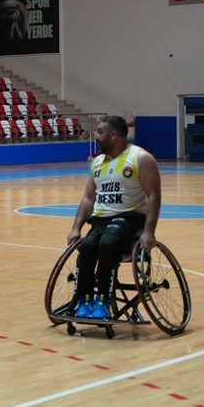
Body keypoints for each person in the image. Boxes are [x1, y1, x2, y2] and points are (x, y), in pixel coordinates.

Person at [66, 116, 161, 320]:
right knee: (88, 246)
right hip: (101, 221)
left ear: (114, 135)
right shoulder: (98, 162)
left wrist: (149, 231)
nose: (96, 136)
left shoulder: (141, 158)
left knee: (107, 244)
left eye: (100, 132)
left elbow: (154, 196)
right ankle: (84, 299)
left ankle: (103, 299)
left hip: (130, 218)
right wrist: (76, 228)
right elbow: (88, 199)